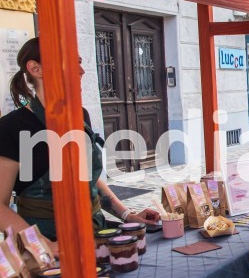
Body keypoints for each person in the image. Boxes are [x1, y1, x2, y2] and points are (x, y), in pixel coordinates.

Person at [0, 38, 158, 250]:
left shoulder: (80, 116)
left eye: (80, 62)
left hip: (95, 234)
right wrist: (41, 245)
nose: (81, 71)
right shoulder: (12, 127)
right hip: (46, 244)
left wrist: (127, 215)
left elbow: (89, 180)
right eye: (71, 63)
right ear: (35, 68)